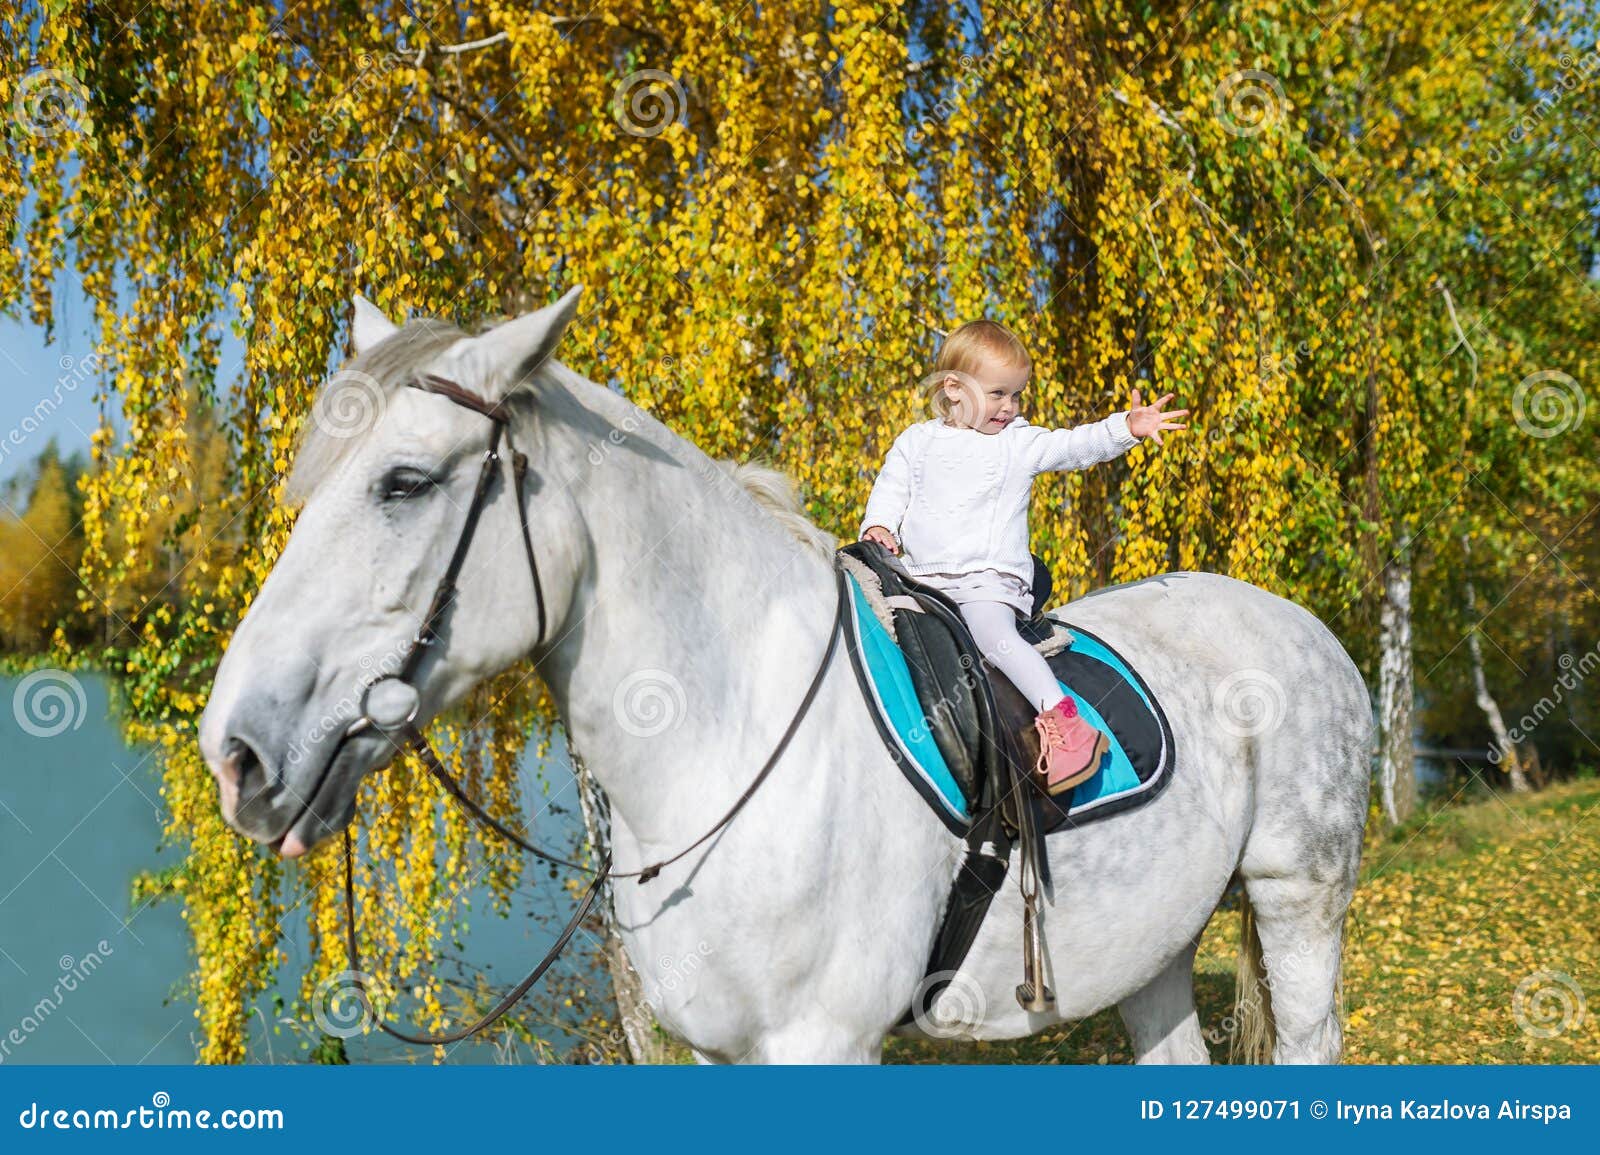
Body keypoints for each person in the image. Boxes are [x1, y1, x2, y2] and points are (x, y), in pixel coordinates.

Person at [858, 319, 1187, 792]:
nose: (1009, 407)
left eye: (1016, 395)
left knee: (993, 637)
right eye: (998, 394)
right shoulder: (917, 442)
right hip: (921, 579)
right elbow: (891, 488)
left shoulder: (1019, 442)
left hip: (987, 582)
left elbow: (1076, 445)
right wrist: (880, 525)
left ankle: (1063, 720)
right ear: (953, 388)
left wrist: (1125, 429)